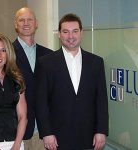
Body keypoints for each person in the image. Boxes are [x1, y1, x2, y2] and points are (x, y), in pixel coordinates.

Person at [35, 13, 109, 150]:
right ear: (59, 34)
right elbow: (41, 102)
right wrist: (46, 133)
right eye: (65, 32)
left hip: (89, 137)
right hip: (57, 139)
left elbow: (101, 100)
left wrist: (101, 130)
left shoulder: (96, 62)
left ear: (81, 33)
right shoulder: (45, 63)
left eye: (75, 31)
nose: (71, 36)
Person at [13, 7, 53, 150]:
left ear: (36, 23)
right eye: (21, 20)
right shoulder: (6, 54)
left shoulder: (49, 55)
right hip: (16, 131)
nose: (26, 23)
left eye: (30, 19)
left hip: (43, 132)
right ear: (15, 24)